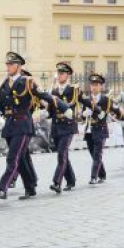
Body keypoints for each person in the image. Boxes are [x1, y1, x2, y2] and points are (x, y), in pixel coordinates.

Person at [0, 52, 69, 200]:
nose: (8, 67)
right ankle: (30, 187)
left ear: (19, 66)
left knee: (12, 157)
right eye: (7, 64)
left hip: (22, 125)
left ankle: (2, 189)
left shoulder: (27, 81)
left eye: (11, 64)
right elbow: (0, 105)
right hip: (9, 125)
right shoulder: (5, 84)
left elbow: (45, 95)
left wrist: (64, 107)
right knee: (21, 159)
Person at [79, 74, 120, 183]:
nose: (94, 87)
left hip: (100, 129)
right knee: (93, 154)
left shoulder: (106, 100)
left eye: (96, 85)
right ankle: (102, 174)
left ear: (101, 86)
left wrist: (102, 114)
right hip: (89, 130)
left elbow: (112, 112)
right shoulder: (86, 99)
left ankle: (94, 177)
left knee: (97, 154)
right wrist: (84, 114)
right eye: (92, 85)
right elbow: (81, 116)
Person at [48, 62, 80, 191]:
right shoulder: (54, 91)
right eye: (58, 73)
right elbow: (51, 110)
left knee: (61, 154)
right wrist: (45, 110)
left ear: (68, 75)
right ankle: (71, 180)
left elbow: (73, 103)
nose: (59, 75)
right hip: (56, 126)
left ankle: (57, 182)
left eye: (62, 73)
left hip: (68, 126)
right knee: (63, 154)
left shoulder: (73, 89)